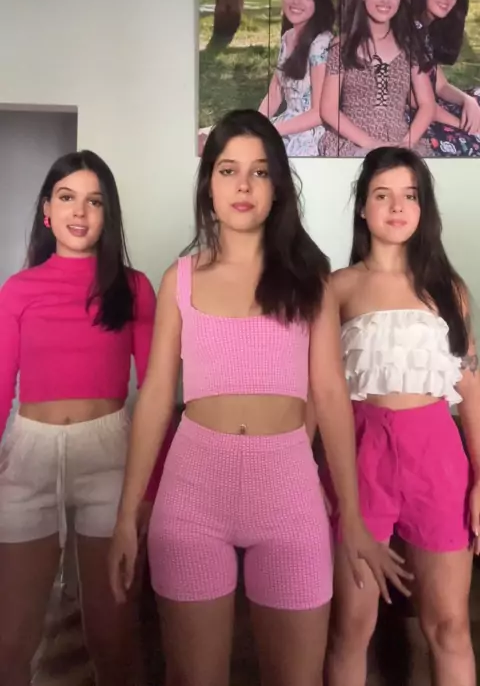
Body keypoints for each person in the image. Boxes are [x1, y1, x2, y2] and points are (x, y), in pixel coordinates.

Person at [109, 109, 411, 686]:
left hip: (288, 493)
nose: (243, 185)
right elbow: (155, 397)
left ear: (277, 188)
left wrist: (351, 515)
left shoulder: (310, 280)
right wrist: (127, 515)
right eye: (228, 170)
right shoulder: (181, 279)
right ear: (209, 185)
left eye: (259, 171)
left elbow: (330, 394)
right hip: (193, 492)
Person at [0, 150, 166, 686]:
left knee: (112, 636)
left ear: (107, 214)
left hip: (109, 457)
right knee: (11, 640)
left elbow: (158, 392)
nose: (79, 211)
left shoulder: (134, 288)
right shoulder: (18, 290)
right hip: (29, 454)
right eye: (67, 198)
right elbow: (0, 385)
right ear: (47, 211)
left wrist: (149, 490)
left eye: (94, 201)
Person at [324, 146, 479, 686]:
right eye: (382, 195)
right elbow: (317, 392)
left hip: (438, 459)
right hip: (360, 457)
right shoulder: (338, 288)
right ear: (362, 206)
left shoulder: (449, 290)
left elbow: (470, 389)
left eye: (409, 195)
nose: (396, 207)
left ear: (423, 207)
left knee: (450, 626)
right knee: (351, 627)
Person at [319, 0, 435, 158]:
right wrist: (371, 144)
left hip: (399, 142)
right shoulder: (343, 47)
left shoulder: (409, 47)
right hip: (353, 143)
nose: (385, 0)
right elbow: (328, 109)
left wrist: (407, 143)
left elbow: (427, 104)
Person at [258, 0, 335, 157]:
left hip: (310, 135)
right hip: (285, 125)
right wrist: (256, 125)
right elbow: (275, 94)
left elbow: (319, 113)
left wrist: (272, 131)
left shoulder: (321, 44)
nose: (296, 2)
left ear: (319, 1)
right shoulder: (288, 37)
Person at [411, 0, 480, 156]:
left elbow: (440, 85)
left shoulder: (426, 28)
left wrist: (468, 101)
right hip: (419, 117)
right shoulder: (407, 31)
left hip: (434, 107)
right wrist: (465, 126)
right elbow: (414, 101)